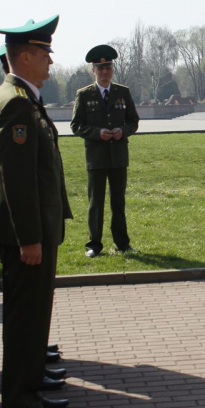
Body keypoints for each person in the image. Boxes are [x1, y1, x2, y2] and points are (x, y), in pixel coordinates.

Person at [0, 15, 72, 408]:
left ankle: (28, 387)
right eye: (45, 54)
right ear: (27, 56)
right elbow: (17, 180)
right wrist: (29, 237)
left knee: (32, 317)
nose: (51, 62)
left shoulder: (19, 95)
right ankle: (20, 401)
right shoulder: (16, 101)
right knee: (26, 319)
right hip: (27, 234)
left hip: (29, 229)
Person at [70, 44, 140, 257]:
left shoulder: (123, 92)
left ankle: (122, 243)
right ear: (93, 71)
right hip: (96, 157)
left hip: (118, 156)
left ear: (112, 70)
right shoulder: (84, 95)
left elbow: (133, 121)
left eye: (108, 68)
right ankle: (94, 245)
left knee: (118, 202)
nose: (104, 72)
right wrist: (97, 133)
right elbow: (76, 125)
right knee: (96, 203)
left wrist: (123, 131)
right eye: (100, 68)